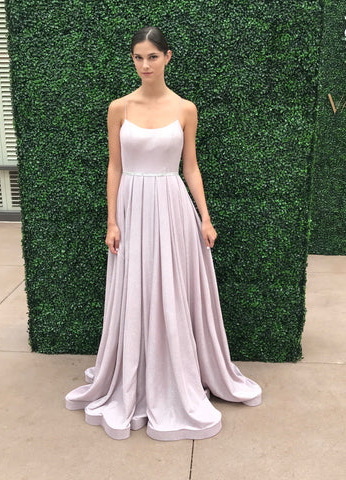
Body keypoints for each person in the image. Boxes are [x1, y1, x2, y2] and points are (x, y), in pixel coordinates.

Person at [65, 26, 262, 441]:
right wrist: (112, 221)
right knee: (136, 288)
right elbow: (114, 167)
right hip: (133, 208)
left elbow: (190, 166)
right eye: (138, 57)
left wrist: (205, 219)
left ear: (168, 57)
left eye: (152, 56)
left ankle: (177, 372)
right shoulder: (118, 107)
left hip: (173, 207)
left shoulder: (185, 109)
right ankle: (135, 372)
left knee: (173, 289)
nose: (145, 65)